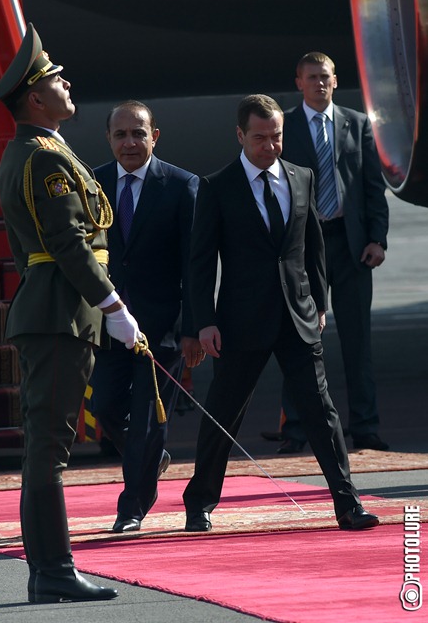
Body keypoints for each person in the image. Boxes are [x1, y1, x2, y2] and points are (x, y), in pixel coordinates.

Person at [0, 24, 142, 603]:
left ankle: (50, 570)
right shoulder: (39, 158)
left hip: (59, 313)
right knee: (47, 447)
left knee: (48, 445)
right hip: (58, 314)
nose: (65, 82)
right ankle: (52, 570)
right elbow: (70, 242)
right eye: (54, 78)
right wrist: (114, 305)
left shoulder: (43, 148)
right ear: (34, 97)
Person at [182, 93, 380, 533]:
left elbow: (313, 248)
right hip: (240, 321)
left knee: (321, 412)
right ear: (240, 135)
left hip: (298, 316)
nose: (270, 146)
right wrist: (203, 321)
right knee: (224, 413)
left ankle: (347, 504)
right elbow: (199, 262)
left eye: (276, 137)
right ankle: (199, 504)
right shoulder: (217, 186)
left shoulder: (302, 177)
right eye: (260, 138)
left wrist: (319, 305)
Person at [262, 51, 389, 454]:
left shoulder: (357, 123)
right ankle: (296, 428)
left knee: (358, 341)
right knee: (300, 339)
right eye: (312, 77)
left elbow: (372, 187)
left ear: (336, 81)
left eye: (326, 77)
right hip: (303, 247)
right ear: (298, 82)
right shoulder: (284, 126)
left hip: (351, 246)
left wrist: (377, 239)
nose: (320, 83)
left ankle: (365, 427)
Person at [90, 100, 203, 533]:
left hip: (164, 329)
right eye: (120, 135)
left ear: (154, 136)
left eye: (138, 133)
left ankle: (132, 506)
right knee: (105, 407)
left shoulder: (181, 185)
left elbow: (194, 266)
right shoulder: (94, 183)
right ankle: (152, 459)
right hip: (109, 324)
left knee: (147, 416)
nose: (129, 142)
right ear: (109, 140)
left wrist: (193, 328)